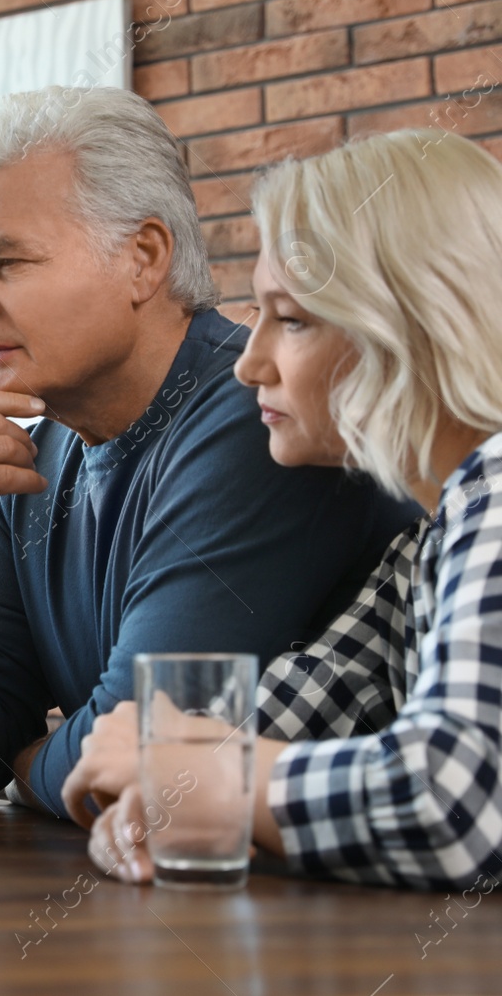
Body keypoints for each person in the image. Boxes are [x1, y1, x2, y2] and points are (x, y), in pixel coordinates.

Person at [0, 86, 421, 815]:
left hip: (333, 916)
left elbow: (142, 757)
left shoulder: (262, 419)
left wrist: (26, 767)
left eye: (5, 262)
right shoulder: (28, 456)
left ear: (144, 258)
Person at [62, 129, 502, 890]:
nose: (248, 361)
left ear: (410, 333)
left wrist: (188, 766)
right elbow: (283, 717)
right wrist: (170, 782)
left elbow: (453, 802)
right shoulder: (427, 550)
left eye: (291, 319)